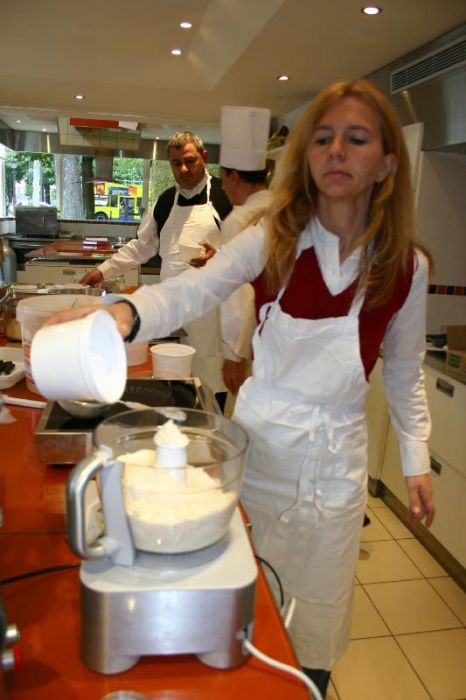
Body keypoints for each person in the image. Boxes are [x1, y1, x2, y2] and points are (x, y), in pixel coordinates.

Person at [46, 79, 435, 698]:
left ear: (387, 163)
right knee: (242, 597)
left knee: (317, 612)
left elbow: (405, 370)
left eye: (357, 139)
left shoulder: (407, 267)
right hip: (261, 454)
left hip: (335, 463)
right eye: (324, 138)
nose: (337, 150)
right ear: (307, 156)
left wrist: (415, 459)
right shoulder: (272, 239)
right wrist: (122, 313)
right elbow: (192, 290)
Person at [80, 131, 232, 394]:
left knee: (210, 375)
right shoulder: (164, 202)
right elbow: (142, 246)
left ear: (204, 157)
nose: (183, 169)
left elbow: (248, 250)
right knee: (174, 377)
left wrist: (220, 255)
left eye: (190, 161)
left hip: (212, 312)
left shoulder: (225, 196)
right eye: (176, 163)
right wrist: (103, 270)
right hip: (172, 309)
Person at [216, 106, 273, 416]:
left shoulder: (239, 220)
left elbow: (236, 297)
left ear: (234, 176)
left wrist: (232, 357)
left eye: (223, 179)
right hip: (281, 344)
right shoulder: (283, 209)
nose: (223, 187)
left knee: (242, 423)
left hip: (250, 346)